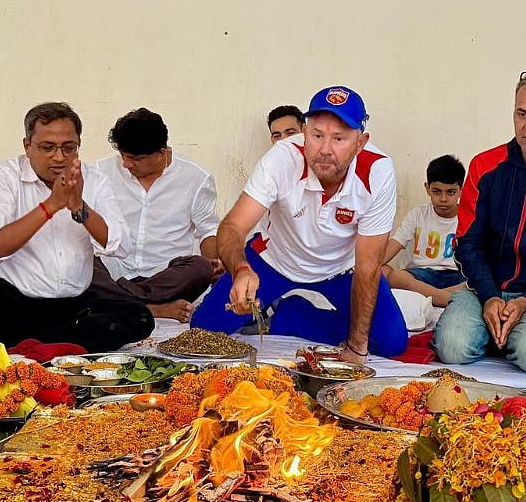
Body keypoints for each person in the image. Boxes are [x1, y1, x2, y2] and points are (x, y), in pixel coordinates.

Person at [190, 86, 408, 361]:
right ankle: (267, 305)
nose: (325, 150)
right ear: (305, 133)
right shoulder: (282, 157)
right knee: (203, 331)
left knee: (390, 343)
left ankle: (293, 315)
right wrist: (241, 268)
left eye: (339, 138)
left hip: (340, 269)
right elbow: (233, 226)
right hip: (275, 259)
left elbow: (368, 265)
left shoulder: (378, 171)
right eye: (317, 136)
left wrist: (355, 347)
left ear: (360, 142)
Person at [0, 102, 154, 357]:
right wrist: (51, 205)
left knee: (140, 318)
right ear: (27, 146)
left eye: (68, 148)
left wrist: (78, 206)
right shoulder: (4, 176)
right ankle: (63, 342)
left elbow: (120, 246)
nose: (59, 157)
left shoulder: (95, 180)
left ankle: (17, 341)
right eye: (47, 148)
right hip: (15, 299)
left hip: (74, 302)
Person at [90, 109, 221, 322]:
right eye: (123, 155)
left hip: (166, 276)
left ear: (161, 153)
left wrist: (213, 262)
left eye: (135, 158)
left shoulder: (196, 179)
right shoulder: (101, 172)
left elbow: (208, 231)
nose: (126, 164)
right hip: (113, 269)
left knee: (200, 267)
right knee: (82, 267)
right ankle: (152, 308)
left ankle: (118, 301)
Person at [434, 75, 526, 371]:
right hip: (482, 290)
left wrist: (523, 302)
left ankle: (506, 335)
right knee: (453, 347)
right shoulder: (485, 166)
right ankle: (500, 331)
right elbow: (468, 243)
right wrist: (489, 297)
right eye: (522, 114)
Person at [381, 155, 466, 307]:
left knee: (479, 282)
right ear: (427, 188)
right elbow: (394, 244)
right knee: (390, 275)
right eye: (437, 191)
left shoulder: (470, 217)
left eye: (451, 192)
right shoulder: (418, 215)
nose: (444, 199)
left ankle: (431, 297)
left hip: (457, 277)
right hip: (422, 275)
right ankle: (445, 298)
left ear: (461, 190)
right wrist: (369, 266)